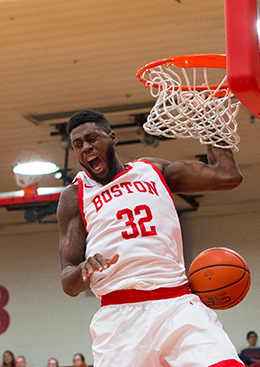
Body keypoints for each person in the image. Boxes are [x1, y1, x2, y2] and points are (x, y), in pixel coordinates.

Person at [57, 110, 244, 367]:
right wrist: (83, 269)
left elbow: (227, 175)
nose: (85, 147)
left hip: (177, 304)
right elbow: (68, 283)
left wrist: (209, 124)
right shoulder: (74, 196)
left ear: (112, 138)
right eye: (78, 145)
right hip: (120, 316)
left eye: (91, 139)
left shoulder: (152, 171)